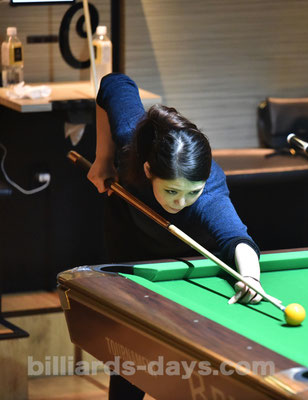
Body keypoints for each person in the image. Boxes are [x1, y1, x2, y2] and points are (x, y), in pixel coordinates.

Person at [88, 73, 262, 399]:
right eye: (171, 191)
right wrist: (103, 157)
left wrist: (250, 276)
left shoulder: (209, 195)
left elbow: (236, 238)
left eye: (191, 192)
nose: (180, 202)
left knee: (194, 362)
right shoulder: (133, 141)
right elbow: (113, 83)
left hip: (188, 259)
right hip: (131, 237)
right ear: (148, 171)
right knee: (129, 348)